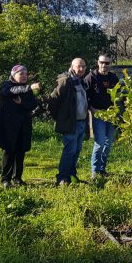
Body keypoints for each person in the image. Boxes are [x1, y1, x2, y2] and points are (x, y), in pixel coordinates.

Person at [0, 65, 40, 188]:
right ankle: (5, 179)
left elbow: (33, 104)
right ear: (14, 75)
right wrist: (27, 88)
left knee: (21, 151)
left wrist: (22, 102)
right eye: (21, 74)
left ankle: (17, 178)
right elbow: (10, 92)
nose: (24, 76)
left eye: (25, 74)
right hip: (8, 125)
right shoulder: (6, 85)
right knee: (8, 151)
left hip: (23, 125)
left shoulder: (27, 89)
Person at [48, 58, 89, 186]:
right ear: (71, 67)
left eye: (83, 66)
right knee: (69, 150)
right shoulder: (66, 81)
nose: (81, 69)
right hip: (71, 123)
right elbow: (53, 100)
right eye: (78, 66)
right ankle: (62, 178)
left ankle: (71, 175)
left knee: (76, 150)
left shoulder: (81, 81)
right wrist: (60, 117)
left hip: (81, 122)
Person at [85, 54, 120, 180]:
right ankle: (95, 171)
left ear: (110, 64)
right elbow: (85, 96)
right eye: (102, 62)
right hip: (98, 114)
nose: (104, 65)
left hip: (111, 114)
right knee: (99, 143)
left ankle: (102, 168)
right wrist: (91, 109)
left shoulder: (113, 78)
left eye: (107, 63)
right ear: (98, 62)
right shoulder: (91, 77)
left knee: (108, 143)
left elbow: (119, 95)